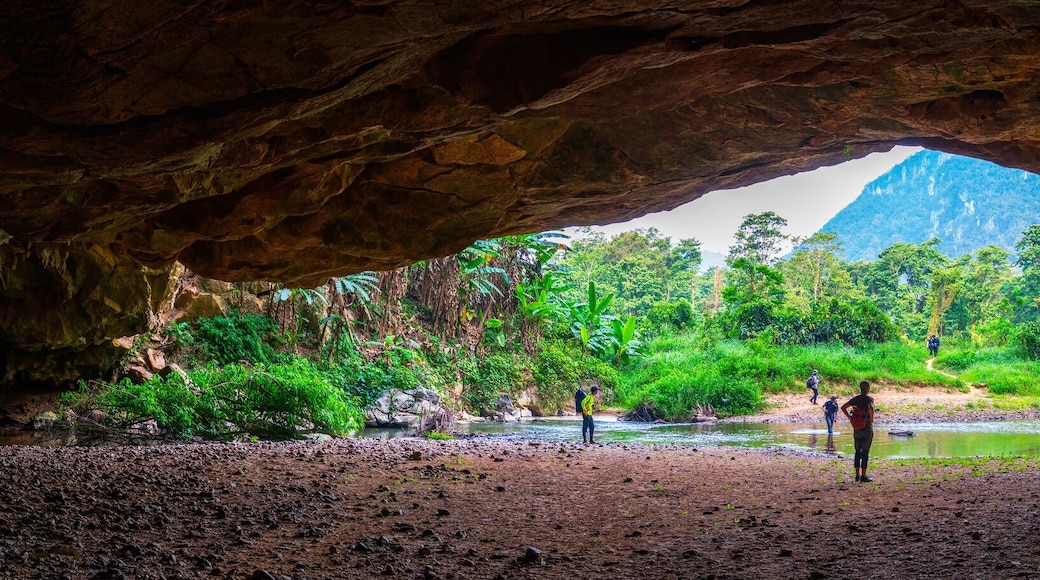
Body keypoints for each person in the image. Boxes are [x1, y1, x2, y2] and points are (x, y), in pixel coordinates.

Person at [841, 380, 876, 483]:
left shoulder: (855, 399)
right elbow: (871, 408)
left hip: (857, 428)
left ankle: (857, 475)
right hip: (867, 427)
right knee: (865, 452)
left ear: (860, 388)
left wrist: (850, 417)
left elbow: (843, 407)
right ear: (868, 388)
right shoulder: (869, 399)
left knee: (857, 451)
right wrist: (871, 420)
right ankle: (863, 476)